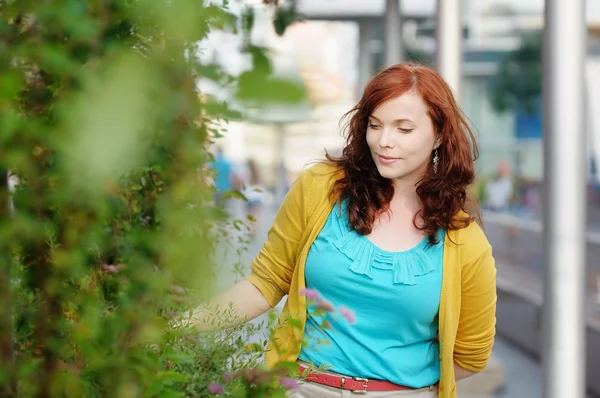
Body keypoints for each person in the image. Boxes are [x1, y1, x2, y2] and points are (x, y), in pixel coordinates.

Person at [184, 63, 497, 398]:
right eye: (375, 125)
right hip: (302, 388)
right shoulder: (320, 188)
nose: (384, 141)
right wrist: (177, 327)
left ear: (437, 135)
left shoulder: (466, 243)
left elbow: (471, 356)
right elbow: (265, 284)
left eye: (404, 129)